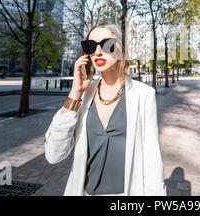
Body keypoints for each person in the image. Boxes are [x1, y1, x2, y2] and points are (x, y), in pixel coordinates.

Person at [44, 21, 166, 196]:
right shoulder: (83, 96)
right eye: (91, 46)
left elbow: (152, 157)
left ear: (122, 49)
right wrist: (74, 94)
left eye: (107, 44)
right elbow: (53, 155)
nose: (98, 51)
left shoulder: (144, 95)